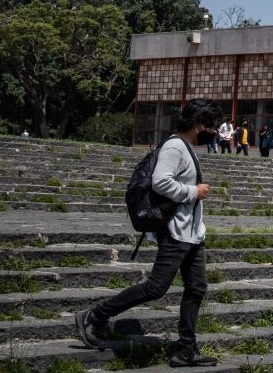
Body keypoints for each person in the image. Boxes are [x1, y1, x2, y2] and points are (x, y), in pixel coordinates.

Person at [75, 99, 221, 367]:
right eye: (211, 126)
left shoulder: (186, 148)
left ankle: (186, 349)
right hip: (176, 232)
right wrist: (193, 192)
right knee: (156, 287)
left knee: (196, 288)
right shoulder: (175, 147)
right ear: (199, 124)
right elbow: (161, 181)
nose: (213, 131)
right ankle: (94, 316)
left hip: (192, 235)